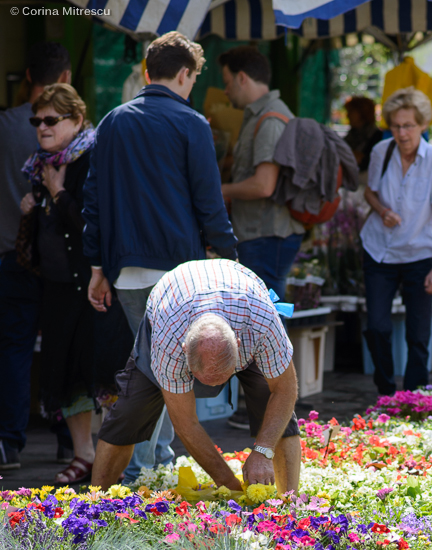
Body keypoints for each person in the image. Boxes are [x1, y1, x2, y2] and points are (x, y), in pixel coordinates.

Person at [84, 30, 237, 484]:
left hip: (125, 271)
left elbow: (93, 200)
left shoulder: (112, 121)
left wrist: (97, 268)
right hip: (181, 274)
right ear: (185, 74)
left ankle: (158, 465)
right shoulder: (192, 123)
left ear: (147, 72)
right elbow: (210, 203)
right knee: (163, 374)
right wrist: (230, 260)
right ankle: (141, 472)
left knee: (158, 369)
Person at [90, 259, 301, 496]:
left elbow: (285, 390)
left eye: (225, 375)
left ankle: (288, 508)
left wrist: (263, 451)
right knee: (129, 412)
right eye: (204, 378)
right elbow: (185, 424)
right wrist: (232, 490)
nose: (215, 388)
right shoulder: (168, 339)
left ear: (240, 346)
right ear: (183, 351)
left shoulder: (261, 323)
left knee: (277, 412)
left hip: (242, 306)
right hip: (174, 301)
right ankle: (96, 506)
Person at [19, 83, 130, 484]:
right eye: (37, 120)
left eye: (51, 120)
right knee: (63, 373)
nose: (42, 128)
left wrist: (58, 193)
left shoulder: (91, 158)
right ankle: (83, 454)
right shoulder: (41, 163)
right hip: (56, 286)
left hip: (92, 283)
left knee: (100, 369)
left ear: (77, 119)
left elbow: (91, 225)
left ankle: (107, 458)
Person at [220, 46, 305, 431]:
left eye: (226, 82)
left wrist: (222, 190)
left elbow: (264, 184)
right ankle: (268, 409)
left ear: (242, 77)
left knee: (266, 325)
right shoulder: (261, 117)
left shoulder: (269, 120)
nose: (225, 93)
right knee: (263, 322)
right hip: (262, 234)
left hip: (267, 235)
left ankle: (272, 411)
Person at [0, 42, 71, 471]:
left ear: (28, 76)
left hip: (12, 254)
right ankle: (69, 441)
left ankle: (8, 443)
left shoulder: (4, 126)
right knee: (61, 349)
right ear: (64, 79)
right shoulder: (75, 132)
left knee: (14, 348)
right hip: (61, 260)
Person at [361, 87, 432, 396]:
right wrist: (383, 211)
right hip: (379, 251)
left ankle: (415, 397)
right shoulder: (381, 152)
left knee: (418, 334)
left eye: (409, 126)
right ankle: (386, 391)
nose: (402, 133)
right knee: (377, 326)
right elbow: (369, 192)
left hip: (419, 254)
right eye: (396, 126)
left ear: (422, 125)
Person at [344, 96, 382, 174]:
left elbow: (368, 163)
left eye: (351, 111)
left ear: (362, 113)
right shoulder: (351, 134)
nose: (347, 116)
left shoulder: (377, 136)